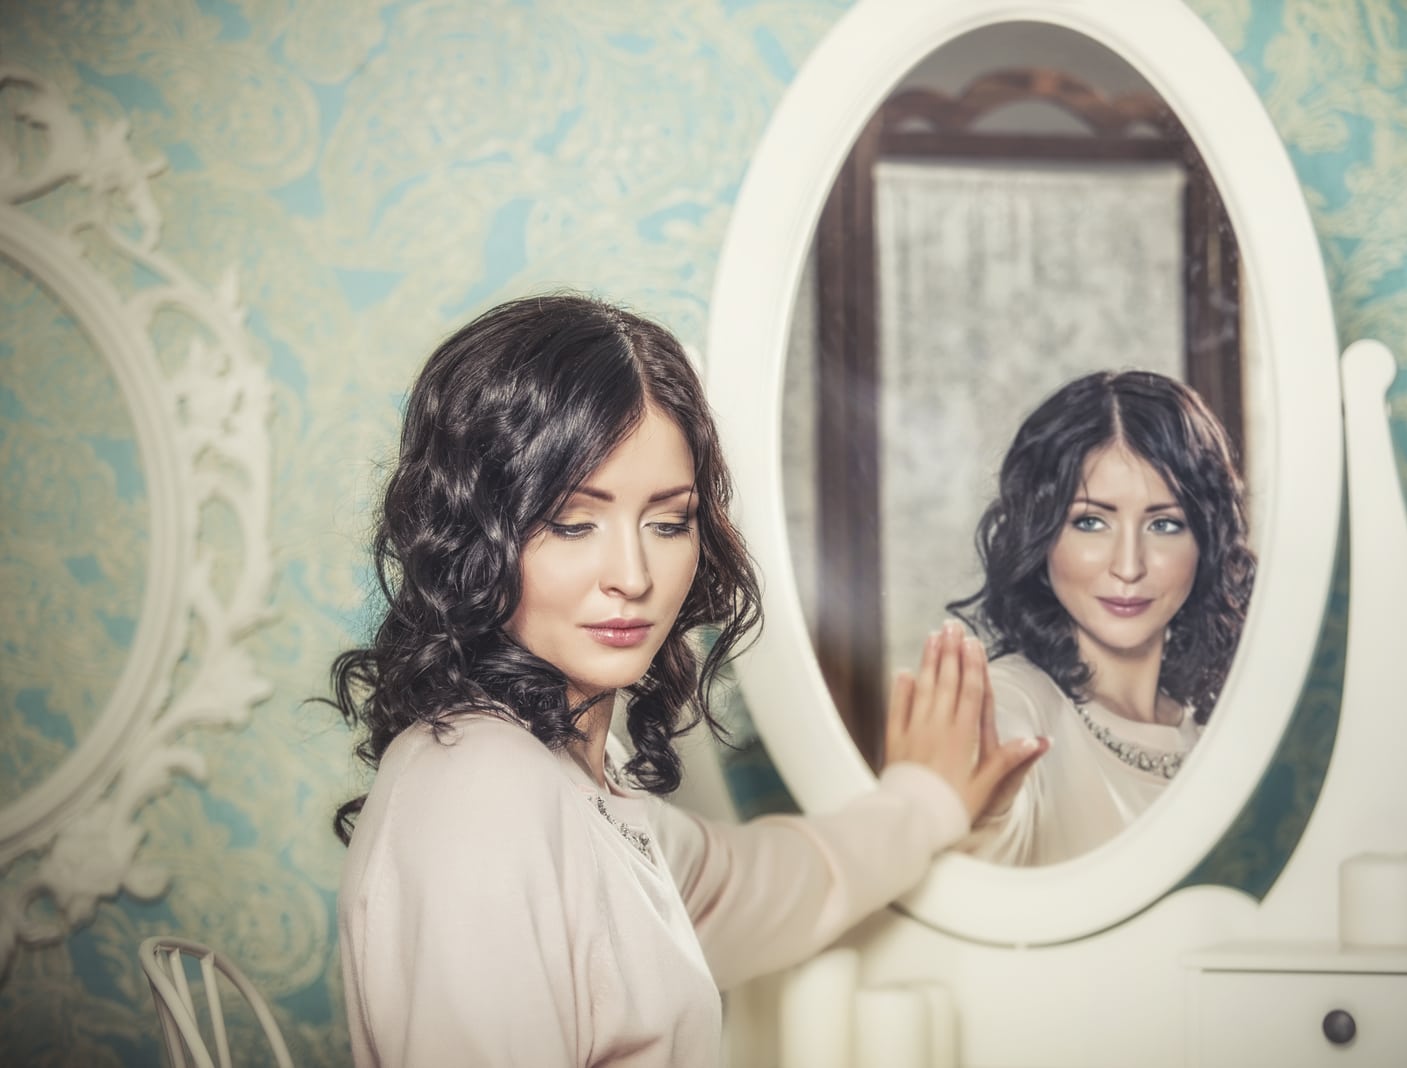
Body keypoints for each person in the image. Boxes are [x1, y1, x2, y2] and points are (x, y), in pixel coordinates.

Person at [328, 293, 1045, 1067]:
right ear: (473, 532)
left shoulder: (571, 785)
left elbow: (773, 883)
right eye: (574, 522)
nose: (632, 575)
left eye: (668, 522)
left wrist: (928, 800)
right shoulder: (481, 789)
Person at [951, 370, 1254, 867]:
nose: (1129, 565)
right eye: (1091, 521)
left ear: (1206, 543)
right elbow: (986, 817)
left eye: (1164, 524)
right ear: (1042, 536)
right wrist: (972, 807)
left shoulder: (1214, 740)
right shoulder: (1014, 700)